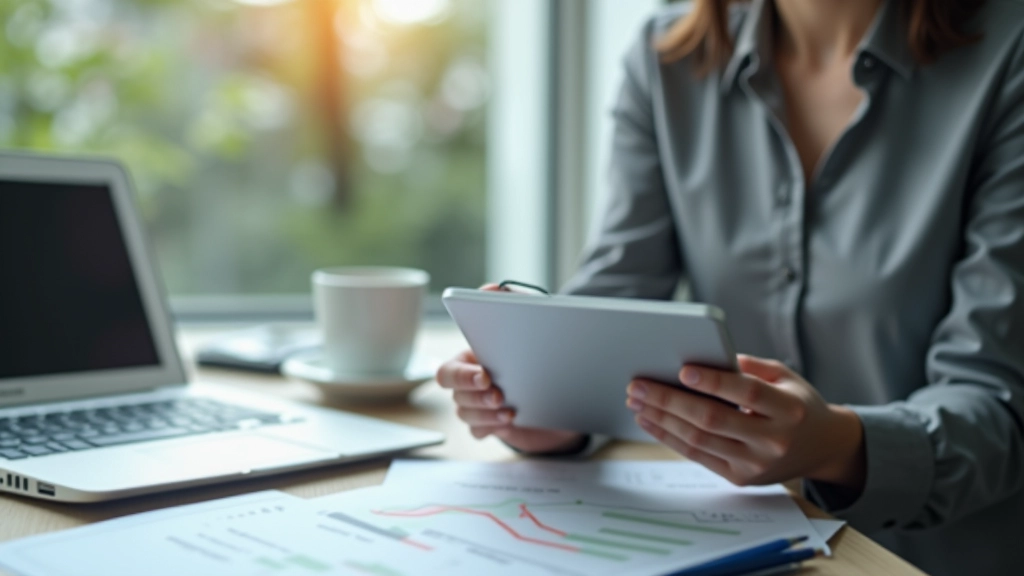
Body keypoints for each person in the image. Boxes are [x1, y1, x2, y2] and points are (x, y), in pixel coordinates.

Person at [437, 1, 1024, 574]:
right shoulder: (667, 59)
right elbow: (618, 295)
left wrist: (836, 446)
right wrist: (549, 406)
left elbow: (999, 404)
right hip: (719, 544)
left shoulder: (1007, 51)